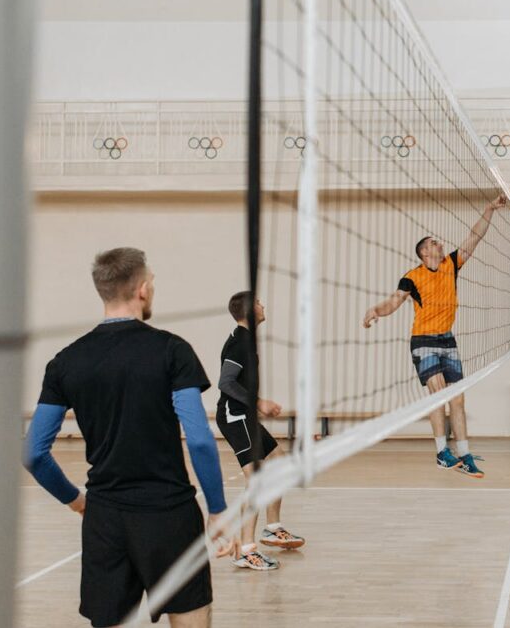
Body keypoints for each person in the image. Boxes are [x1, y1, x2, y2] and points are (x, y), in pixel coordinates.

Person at [23, 247, 234, 627]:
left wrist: (76, 501)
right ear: (141, 289)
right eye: (151, 281)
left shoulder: (65, 361)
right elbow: (200, 440)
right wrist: (217, 508)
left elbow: (34, 454)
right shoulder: (172, 350)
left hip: (105, 518)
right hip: (169, 516)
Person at [363, 195, 507, 478]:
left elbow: (474, 237)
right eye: (433, 243)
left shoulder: (450, 265)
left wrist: (489, 210)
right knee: (439, 395)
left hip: (447, 340)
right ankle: (442, 452)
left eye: (438, 242)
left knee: (458, 400)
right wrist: (375, 310)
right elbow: (394, 302)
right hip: (424, 341)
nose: (439, 244)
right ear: (423, 252)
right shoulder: (412, 277)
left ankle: (465, 455)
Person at [217, 291, 305, 571]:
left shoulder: (246, 340)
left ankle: (273, 527)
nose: (263, 305)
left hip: (245, 416)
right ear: (248, 311)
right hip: (235, 417)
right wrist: (258, 402)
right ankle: (246, 550)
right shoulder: (240, 343)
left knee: (278, 461)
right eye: (258, 302)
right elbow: (226, 382)